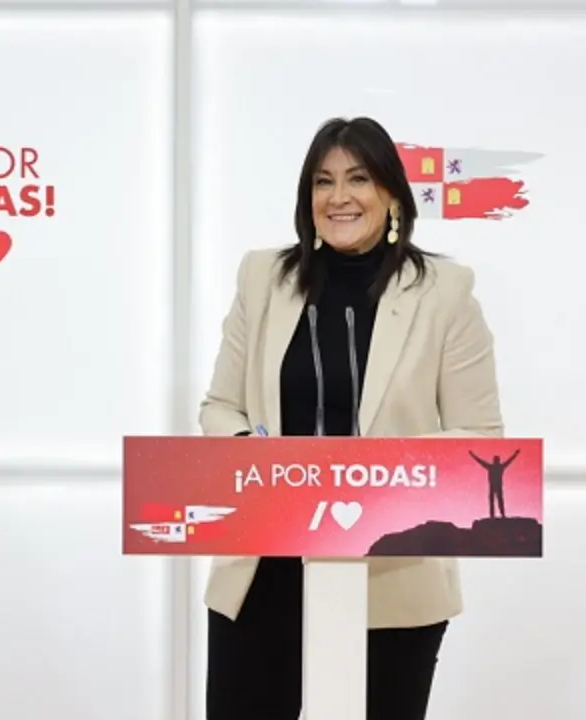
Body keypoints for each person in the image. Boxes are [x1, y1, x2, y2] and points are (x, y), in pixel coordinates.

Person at [197, 116, 503, 720]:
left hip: (393, 576)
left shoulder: (445, 292)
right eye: (323, 181)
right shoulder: (262, 278)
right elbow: (220, 407)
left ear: (392, 194)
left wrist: (371, 477)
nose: (339, 197)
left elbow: (480, 438)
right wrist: (251, 451)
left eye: (358, 179)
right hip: (263, 573)